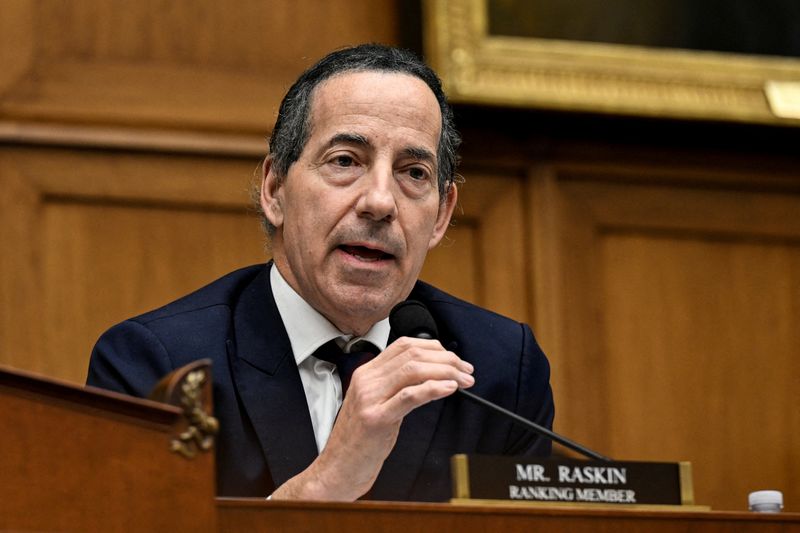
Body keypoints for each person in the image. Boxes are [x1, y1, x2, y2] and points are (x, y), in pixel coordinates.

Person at [87, 44, 554, 502]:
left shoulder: (498, 371)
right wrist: (327, 481)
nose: (380, 202)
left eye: (413, 173)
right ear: (275, 190)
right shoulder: (158, 364)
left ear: (441, 216)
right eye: (345, 161)